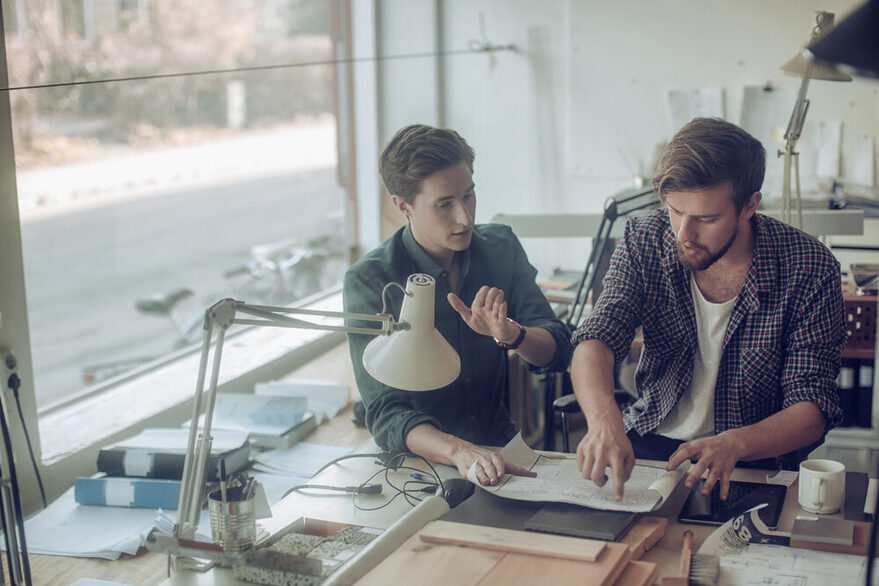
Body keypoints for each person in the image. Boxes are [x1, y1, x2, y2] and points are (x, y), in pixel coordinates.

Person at [570, 117, 846, 501]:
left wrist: (734, 444)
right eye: (675, 211)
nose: (683, 234)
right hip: (651, 442)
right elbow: (596, 338)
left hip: (751, 458)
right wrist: (603, 422)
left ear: (750, 205)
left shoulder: (808, 267)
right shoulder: (644, 240)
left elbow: (813, 406)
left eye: (706, 218)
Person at [344, 124, 571, 486]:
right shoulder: (370, 280)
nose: (464, 217)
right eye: (444, 204)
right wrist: (460, 452)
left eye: (468, 196)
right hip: (421, 467)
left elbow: (559, 348)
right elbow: (386, 412)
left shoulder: (501, 248)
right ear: (403, 205)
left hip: (500, 449)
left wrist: (514, 335)